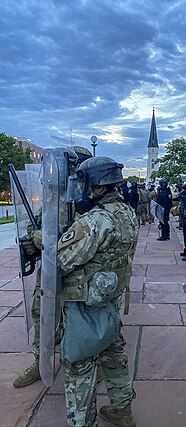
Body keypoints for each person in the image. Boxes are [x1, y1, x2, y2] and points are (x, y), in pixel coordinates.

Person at [57, 156, 138, 427]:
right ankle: (123, 409)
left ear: (98, 186)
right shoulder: (127, 212)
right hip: (109, 300)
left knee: (79, 365)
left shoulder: (95, 220)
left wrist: (42, 241)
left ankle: (81, 421)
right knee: (113, 352)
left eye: (86, 184)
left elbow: (62, 260)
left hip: (85, 306)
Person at [13, 146, 93, 389]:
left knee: (81, 322)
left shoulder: (88, 202)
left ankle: (91, 362)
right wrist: (36, 237)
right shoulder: (51, 198)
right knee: (41, 314)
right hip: (49, 272)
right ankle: (41, 361)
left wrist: (44, 239)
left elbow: (83, 239)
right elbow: (34, 223)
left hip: (79, 275)